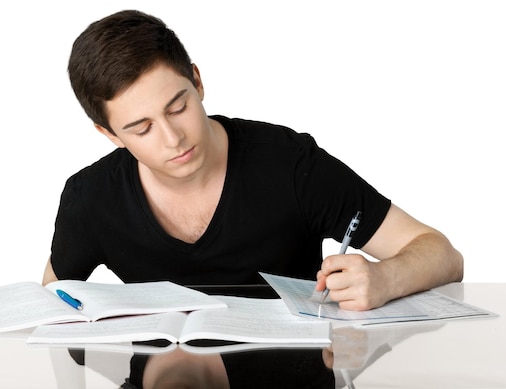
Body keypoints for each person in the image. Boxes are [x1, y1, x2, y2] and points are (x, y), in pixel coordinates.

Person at [42, 9, 463, 311]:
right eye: (142, 128)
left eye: (177, 107)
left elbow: (443, 254)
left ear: (198, 81)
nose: (173, 138)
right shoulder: (90, 197)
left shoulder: (291, 164)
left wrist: (385, 279)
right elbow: (55, 301)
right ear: (110, 135)